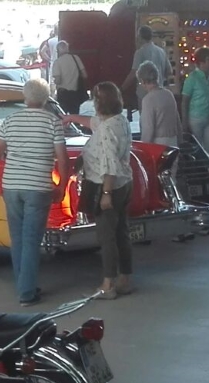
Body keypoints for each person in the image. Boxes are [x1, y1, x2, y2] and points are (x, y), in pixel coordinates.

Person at [0, 78, 69, 305]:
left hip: (11, 185)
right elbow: (63, 159)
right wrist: (62, 186)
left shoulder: (10, 121)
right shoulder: (53, 122)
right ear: (45, 98)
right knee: (32, 239)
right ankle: (26, 292)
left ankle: (24, 285)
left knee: (17, 238)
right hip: (38, 186)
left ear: (25, 97)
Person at [63, 83, 134, 299]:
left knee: (106, 237)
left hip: (107, 186)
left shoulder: (105, 129)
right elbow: (93, 122)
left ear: (99, 103)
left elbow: (109, 164)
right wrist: (71, 118)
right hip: (125, 183)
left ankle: (108, 284)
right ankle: (124, 279)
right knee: (121, 233)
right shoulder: (119, 121)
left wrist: (106, 194)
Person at [122, 26, 171, 110]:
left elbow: (134, 73)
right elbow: (169, 71)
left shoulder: (140, 52)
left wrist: (122, 88)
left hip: (144, 93)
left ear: (140, 37)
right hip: (159, 91)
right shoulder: (161, 51)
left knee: (146, 116)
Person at [182, 47, 209, 157]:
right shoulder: (192, 78)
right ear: (201, 62)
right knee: (196, 151)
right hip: (195, 119)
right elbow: (185, 102)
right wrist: (185, 122)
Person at [137, 61, 182, 146]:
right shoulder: (169, 94)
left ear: (143, 81)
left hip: (158, 145)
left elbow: (148, 130)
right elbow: (178, 122)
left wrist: (142, 147)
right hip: (174, 142)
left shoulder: (148, 100)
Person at [51, 40, 88, 114]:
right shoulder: (76, 58)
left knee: (62, 116)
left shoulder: (57, 62)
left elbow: (58, 80)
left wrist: (54, 82)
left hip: (63, 94)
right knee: (75, 115)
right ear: (67, 48)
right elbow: (85, 75)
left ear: (58, 51)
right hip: (76, 93)